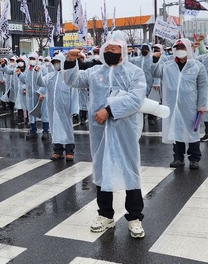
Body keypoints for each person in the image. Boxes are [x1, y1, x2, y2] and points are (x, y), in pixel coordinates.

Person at [63, 31, 148, 239]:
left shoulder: (134, 73)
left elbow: (136, 100)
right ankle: (105, 215)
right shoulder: (94, 72)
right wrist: (70, 61)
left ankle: (135, 217)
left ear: (123, 50)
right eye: (107, 48)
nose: (110, 51)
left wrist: (109, 110)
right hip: (100, 131)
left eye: (114, 48)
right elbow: (73, 80)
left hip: (124, 129)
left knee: (129, 170)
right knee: (102, 170)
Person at [152, 38, 208, 169]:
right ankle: (178, 158)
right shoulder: (168, 65)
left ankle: (194, 159)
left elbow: (203, 86)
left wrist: (202, 105)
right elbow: (155, 72)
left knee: (192, 132)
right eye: (177, 48)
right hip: (172, 105)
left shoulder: (197, 66)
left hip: (190, 106)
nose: (180, 51)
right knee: (176, 131)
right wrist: (155, 60)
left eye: (183, 48)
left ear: (188, 49)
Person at [36, 53, 79, 161]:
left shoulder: (68, 76)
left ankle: (69, 151)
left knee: (67, 129)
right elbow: (40, 82)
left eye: (58, 62)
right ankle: (58, 151)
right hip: (53, 108)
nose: (56, 64)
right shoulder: (50, 76)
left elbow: (74, 94)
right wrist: (38, 72)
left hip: (65, 109)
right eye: (54, 62)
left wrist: (74, 109)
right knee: (55, 129)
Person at [21, 52, 50, 140]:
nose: (32, 60)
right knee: (31, 112)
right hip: (30, 95)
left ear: (37, 59)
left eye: (34, 59)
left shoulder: (43, 68)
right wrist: (19, 74)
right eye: (31, 59)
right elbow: (24, 80)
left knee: (44, 112)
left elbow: (45, 81)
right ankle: (33, 130)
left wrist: (43, 92)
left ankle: (45, 131)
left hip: (40, 94)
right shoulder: (28, 69)